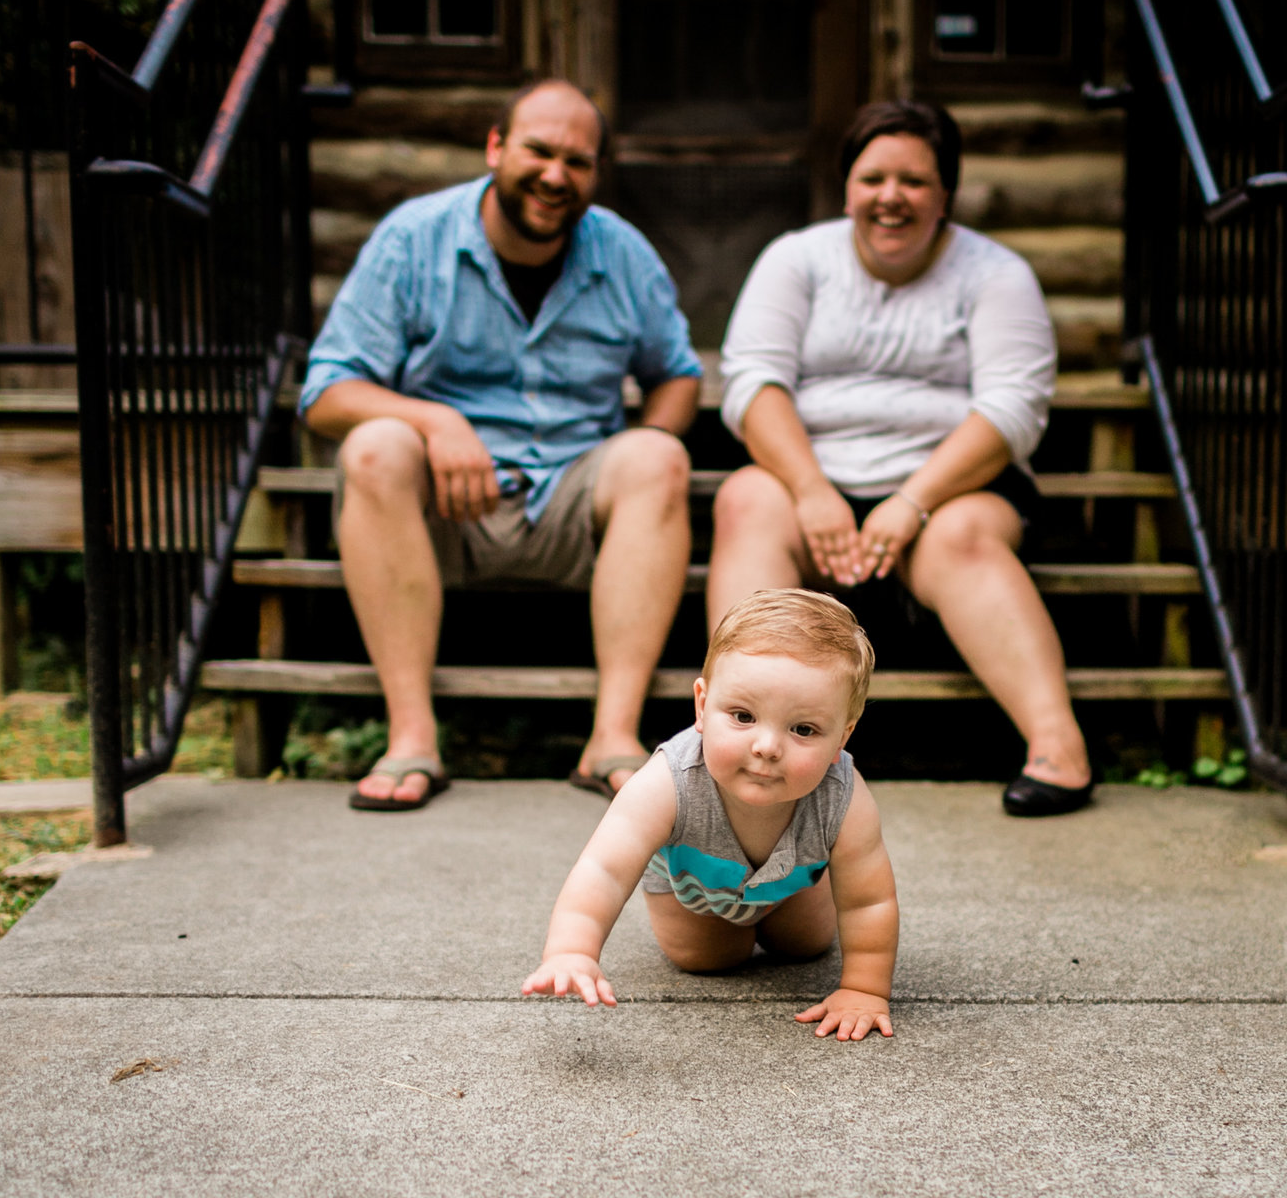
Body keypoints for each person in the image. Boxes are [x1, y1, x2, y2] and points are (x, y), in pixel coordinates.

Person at [302, 79, 703, 810]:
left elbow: (676, 375)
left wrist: (646, 438)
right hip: (441, 512)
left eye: (577, 161)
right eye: (538, 151)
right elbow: (326, 393)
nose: (556, 175)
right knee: (374, 445)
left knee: (658, 456)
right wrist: (435, 421)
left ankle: (612, 737)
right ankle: (411, 737)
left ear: (596, 173)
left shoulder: (624, 251)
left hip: (572, 505)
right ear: (495, 147)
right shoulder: (411, 237)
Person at [707, 99, 1094, 817]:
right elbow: (753, 383)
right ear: (847, 186)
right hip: (809, 474)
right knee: (745, 501)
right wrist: (811, 488)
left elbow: (1013, 407)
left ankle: (1058, 746)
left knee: (961, 536)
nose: (891, 197)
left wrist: (913, 501)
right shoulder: (795, 259)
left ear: (944, 194)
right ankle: (732, 742)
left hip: (952, 484)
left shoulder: (996, 272)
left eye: (914, 181)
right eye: (873, 177)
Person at [521, 589, 900, 1041]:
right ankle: (724, 932)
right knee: (709, 959)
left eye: (803, 729)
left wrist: (863, 989)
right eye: (742, 716)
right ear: (703, 705)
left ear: (843, 735)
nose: (766, 746)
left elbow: (868, 900)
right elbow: (603, 869)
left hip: (791, 884)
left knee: (807, 945)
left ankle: (783, 914)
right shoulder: (668, 781)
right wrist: (571, 950)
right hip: (694, 892)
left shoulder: (843, 794)